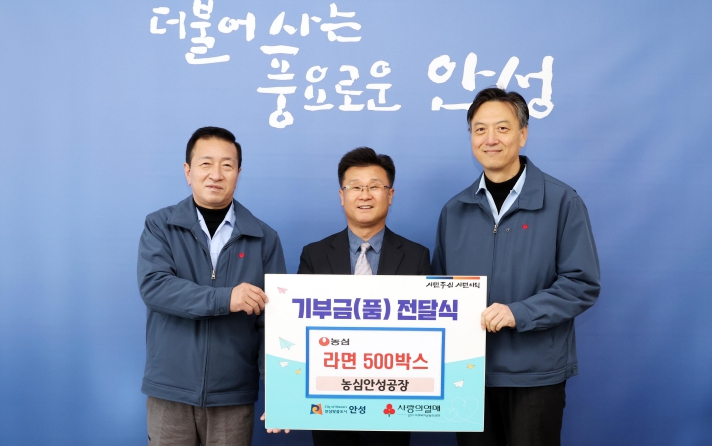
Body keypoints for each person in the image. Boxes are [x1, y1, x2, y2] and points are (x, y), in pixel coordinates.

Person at [432, 88, 600, 446]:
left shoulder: (562, 201)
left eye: (502, 128)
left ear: (523, 134)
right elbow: (440, 289)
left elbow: (582, 283)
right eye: (480, 130)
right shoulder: (454, 210)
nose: (490, 139)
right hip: (469, 374)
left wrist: (518, 312)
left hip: (535, 374)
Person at [137, 126, 286, 446]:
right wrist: (226, 298)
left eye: (227, 165)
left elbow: (274, 323)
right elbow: (155, 287)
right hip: (170, 389)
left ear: (238, 173)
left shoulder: (264, 238)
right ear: (188, 171)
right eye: (206, 163)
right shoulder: (160, 225)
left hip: (233, 394)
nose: (216, 174)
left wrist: (280, 392)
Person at [298, 147, 431, 446]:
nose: (365, 195)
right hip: (329, 399)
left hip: (393, 402)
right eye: (355, 187)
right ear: (341, 195)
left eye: (374, 187)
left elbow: (426, 334)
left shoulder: (417, 256)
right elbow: (298, 329)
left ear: (390, 195)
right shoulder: (314, 255)